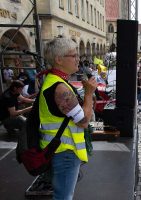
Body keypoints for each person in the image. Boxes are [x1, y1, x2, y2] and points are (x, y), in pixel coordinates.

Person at [42, 37, 97, 200]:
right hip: (64, 152)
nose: (78, 59)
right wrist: (88, 94)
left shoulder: (55, 81)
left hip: (60, 150)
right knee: (63, 197)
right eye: (74, 55)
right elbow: (84, 122)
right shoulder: (60, 88)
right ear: (59, 59)